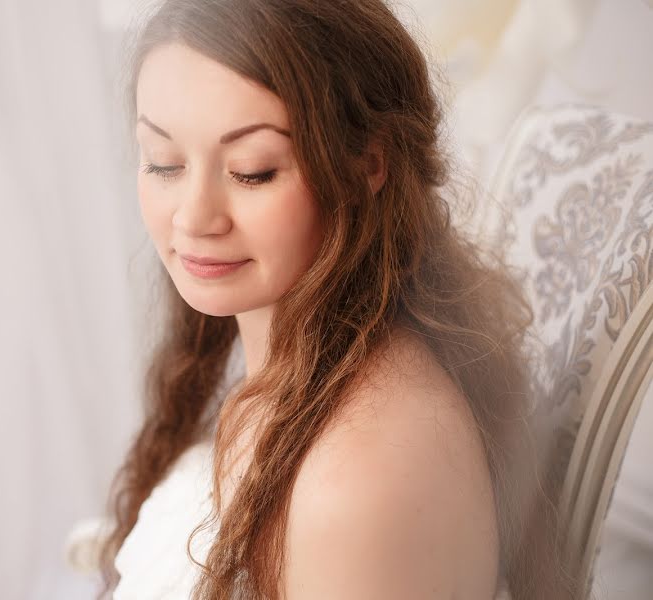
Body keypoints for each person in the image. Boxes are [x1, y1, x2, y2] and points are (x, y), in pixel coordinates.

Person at [97, 1, 578, 598]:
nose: (193, 217)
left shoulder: (362, 479)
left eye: (253, 171)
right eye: (163, 163)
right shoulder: (297, 363)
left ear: (366, 165)